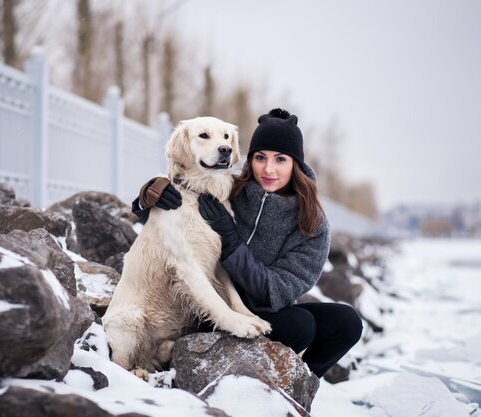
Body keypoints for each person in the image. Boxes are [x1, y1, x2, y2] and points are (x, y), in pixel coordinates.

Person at [132, 108, 363, 378]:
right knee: (302, 325)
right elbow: (176, 206)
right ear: (249, 159)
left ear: (296, 164)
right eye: (260, 158)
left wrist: (231, 240)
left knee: (345, 322)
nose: (268, 169)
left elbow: (275, 289)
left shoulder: (313, 223)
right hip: (206, 303)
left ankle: (298, 383)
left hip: (262, 307)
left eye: (280, 159)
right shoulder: (230, 187)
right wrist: (149, 194)